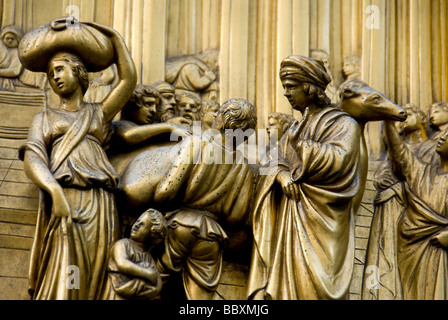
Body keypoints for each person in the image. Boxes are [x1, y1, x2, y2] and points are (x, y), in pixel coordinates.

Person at [18, 19, 137, 300]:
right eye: (50, 74)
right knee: (64, 270)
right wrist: (54, 190)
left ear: (78, 71)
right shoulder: (44, 119)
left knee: (97, 273)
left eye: (60, 69)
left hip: (101, 202)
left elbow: (128, 80)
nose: (54, 77)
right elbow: (33, 158)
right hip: (66, 199)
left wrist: (113, 36)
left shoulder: (97, 113)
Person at [247, 55, 361, 300]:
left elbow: (340, 161)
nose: (286, 93)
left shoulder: (343, 124)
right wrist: (282, 176)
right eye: (284, 87)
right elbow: (273, 161)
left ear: (309, 87)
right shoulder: (294, 127)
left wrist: (302, 145)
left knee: (317, 288)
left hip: (323, 218)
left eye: (291, 86)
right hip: (291, 215)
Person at [118, 98, 257, 299]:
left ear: (225, 121)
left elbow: (165, 190)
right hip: (212, 237)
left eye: (218, 114)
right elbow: (236, 216)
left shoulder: (196, 144)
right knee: (202, 295)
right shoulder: (244, 166)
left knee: (156, 277)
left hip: (180, 225)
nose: (215, 117)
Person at [362, 103, 428, 300]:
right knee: (379, 259)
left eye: (409, 114)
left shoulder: (431, 149)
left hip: (412, 217)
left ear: (422, 119)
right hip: (387, 209)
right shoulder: (393, 151)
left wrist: (399, 185)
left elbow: (429, 183)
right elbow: (381, 178)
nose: (403, 119)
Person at [384, 119, 448, 300]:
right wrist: (388, 121)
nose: (441, 138)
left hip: (438, 248)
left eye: (447, 136)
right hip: (411, 250)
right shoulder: (423, 172)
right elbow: (401, 154)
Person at [105, 208, 167, 300]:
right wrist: (147, 274)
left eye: (142, 224)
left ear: (152, 234)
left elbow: (157, 284)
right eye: (138, 221)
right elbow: (122, 263)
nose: (136, 225)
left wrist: (152, 287)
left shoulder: (147, 256)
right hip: (116, 293)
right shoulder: (123, 244)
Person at [0, 26, 24, 91]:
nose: (10, 41)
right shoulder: (2, 50)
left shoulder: (16, 53)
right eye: (7, 38)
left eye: (12, 39)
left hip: (7, 81)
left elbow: (15, 71)